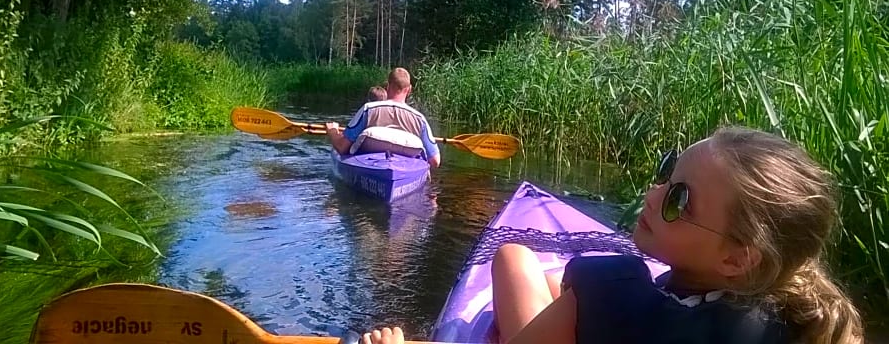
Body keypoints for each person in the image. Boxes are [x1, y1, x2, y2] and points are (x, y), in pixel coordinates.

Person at [359, 127, 863, 344]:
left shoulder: (613, 287)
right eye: (667, 172)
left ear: (737, 259)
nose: (652, 192)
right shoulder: (797, 325)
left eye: (678, 198)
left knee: (513, 258)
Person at [326, 68, 441, 169]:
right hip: (404, 170)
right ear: (409, 89)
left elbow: (342, 147)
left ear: (387, 87)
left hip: (369, 167)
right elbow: (435, 161)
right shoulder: (420, 119)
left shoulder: (368, 109)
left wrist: (332, 131)